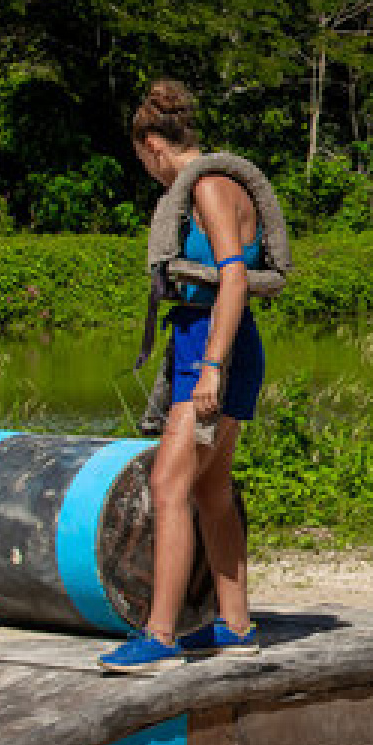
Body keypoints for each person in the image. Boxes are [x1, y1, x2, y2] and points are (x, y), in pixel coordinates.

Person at [99, 80, 270, 673]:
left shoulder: (209, 187)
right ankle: (235, 624)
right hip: (215, 340)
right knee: (211, 489)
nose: (148, 172)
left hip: (214, 344)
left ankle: (161, 634)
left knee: (168, 487)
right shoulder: (218, 182)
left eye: (143, 160)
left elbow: (234, 278)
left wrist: (211, 369)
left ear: (153, 146)